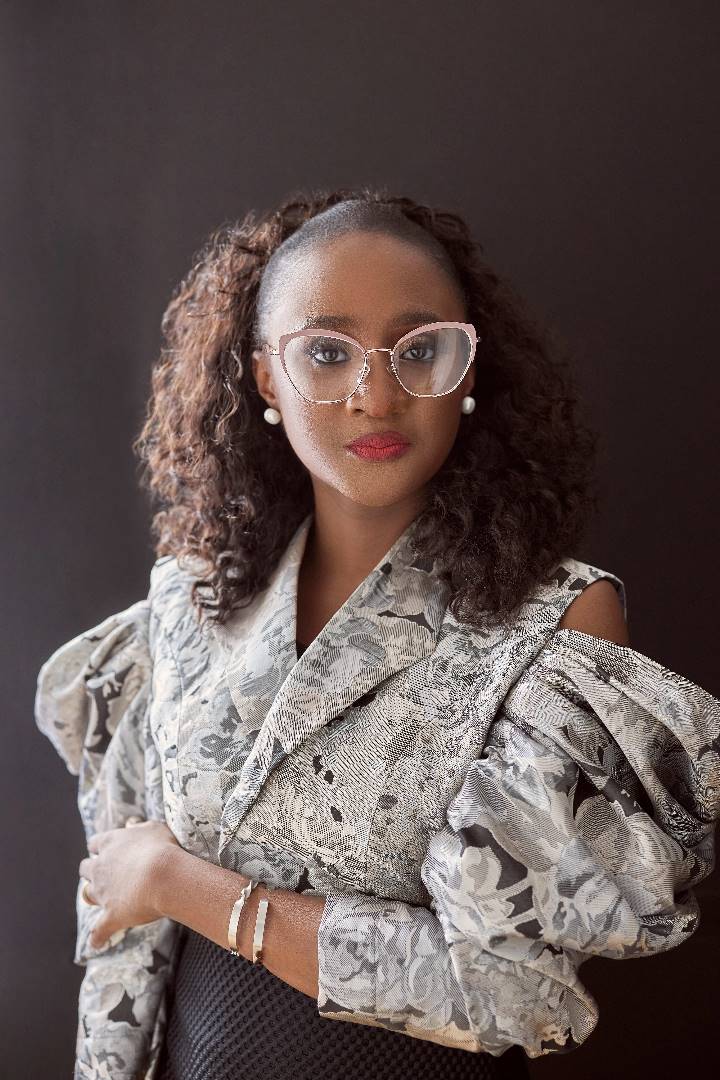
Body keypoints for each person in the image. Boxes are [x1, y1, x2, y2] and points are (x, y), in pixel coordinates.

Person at [34, 186, 720, 1080]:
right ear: (266, 378)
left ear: (468, 371)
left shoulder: (554, 630)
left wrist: (181, 883)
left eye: (419, 350)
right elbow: (123, 937)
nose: (376, 395)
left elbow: (507, 992)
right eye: (327, 353)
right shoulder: (189, 604)